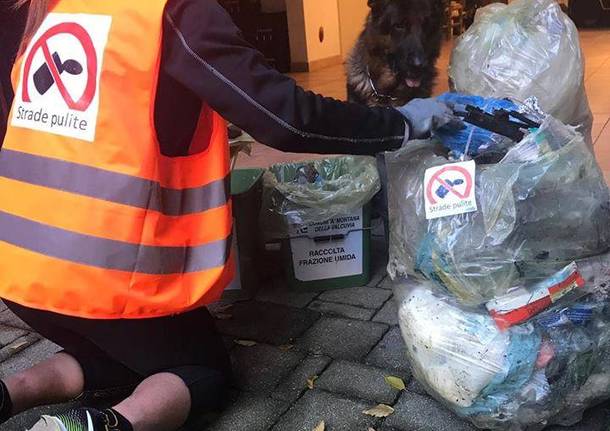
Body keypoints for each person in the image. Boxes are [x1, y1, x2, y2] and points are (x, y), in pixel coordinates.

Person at [0, 1, 455, 430]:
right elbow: (286, 117)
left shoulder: (54, 7)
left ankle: (10, 390)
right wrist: (402, 123)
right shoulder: (170, 9)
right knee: (202, 371)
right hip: (98, 272)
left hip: (19, 272)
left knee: (124, 357)